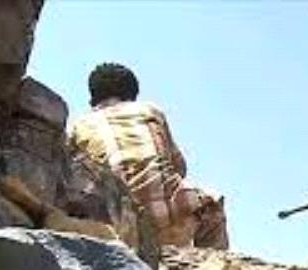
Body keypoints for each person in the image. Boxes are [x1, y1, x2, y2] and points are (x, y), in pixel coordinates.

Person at [67, 63, 229, 249]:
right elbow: (180, 167)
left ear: (93, 97)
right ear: (133, 93)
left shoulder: (80, 125)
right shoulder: (150, 111)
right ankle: (211, 262)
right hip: (171, 218)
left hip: (118, 225)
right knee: (212, 207)